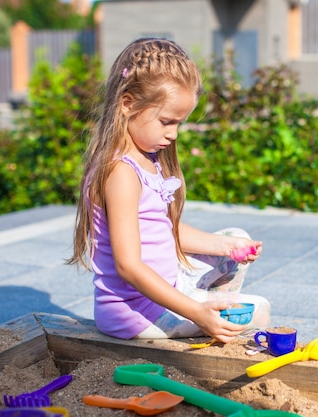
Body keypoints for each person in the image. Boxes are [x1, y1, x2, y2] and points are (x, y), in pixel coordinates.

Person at [68, 37, 270, 342]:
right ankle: (205, 316)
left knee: (235, 239)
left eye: (179, 123)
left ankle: (204, 311)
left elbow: (162, 229)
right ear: (128, 104)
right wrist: (195, 312)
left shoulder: (146, 159)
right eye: (166, 121)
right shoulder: (121, 172)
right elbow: (128, 266)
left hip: (163, 290)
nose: (173, 134)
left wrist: (226, 248)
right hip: (133, 314)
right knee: (260, 310)